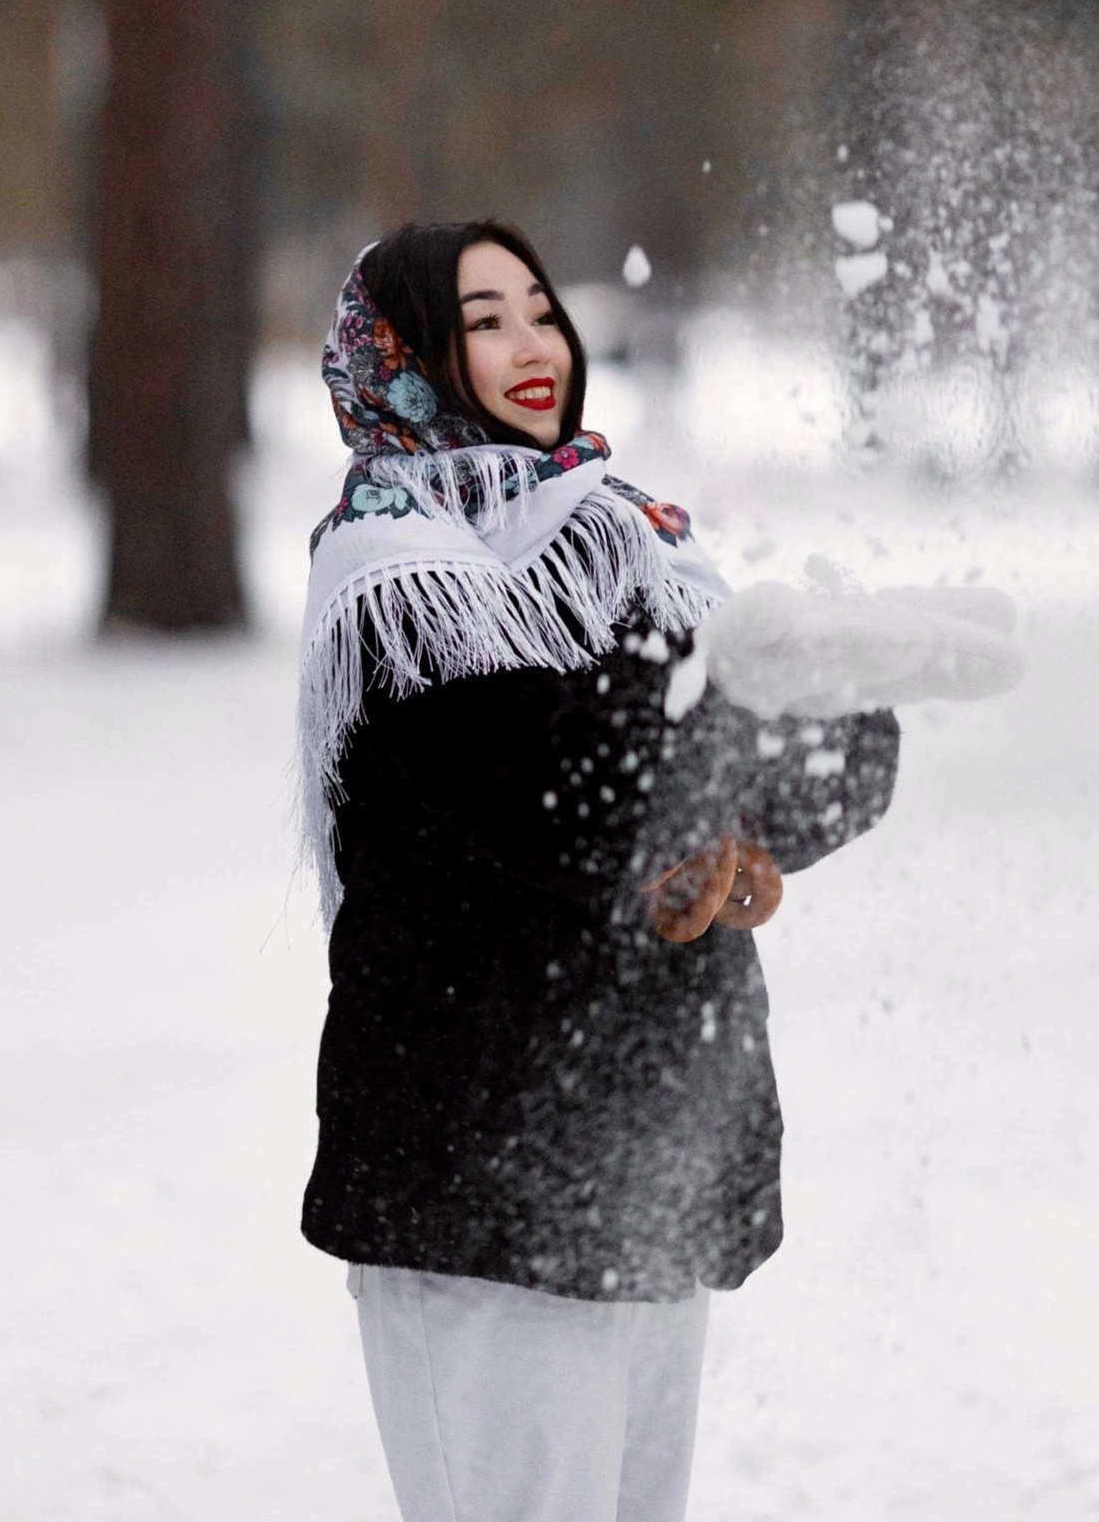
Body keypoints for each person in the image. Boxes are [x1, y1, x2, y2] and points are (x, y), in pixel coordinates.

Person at [295, 220, 900, 1522]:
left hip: (641, 1164)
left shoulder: (633, 540)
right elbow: (560, 792)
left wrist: (770, 726)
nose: (530, 343)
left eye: (539, 309)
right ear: (401, 358)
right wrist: (735, 708)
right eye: (483, 318)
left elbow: (832, 764)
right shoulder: (399, 586)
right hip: (484, 1198)